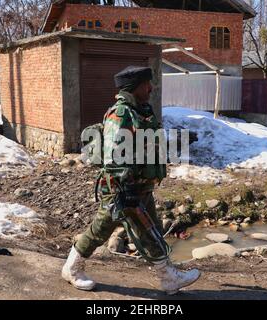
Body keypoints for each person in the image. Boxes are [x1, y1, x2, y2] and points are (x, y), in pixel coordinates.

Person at [62, 66, 200, 295]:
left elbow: (144, 144)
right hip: (123, 190)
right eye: (147, 84)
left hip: (139, 187)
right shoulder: (122, 113)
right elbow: (114, 155)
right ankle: (72, 268)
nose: (151, 88)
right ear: (136, 87)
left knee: (151, 229)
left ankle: (168, 278)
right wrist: (125, 188)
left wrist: (173, 142)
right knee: (104, 230)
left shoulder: (141, 111)